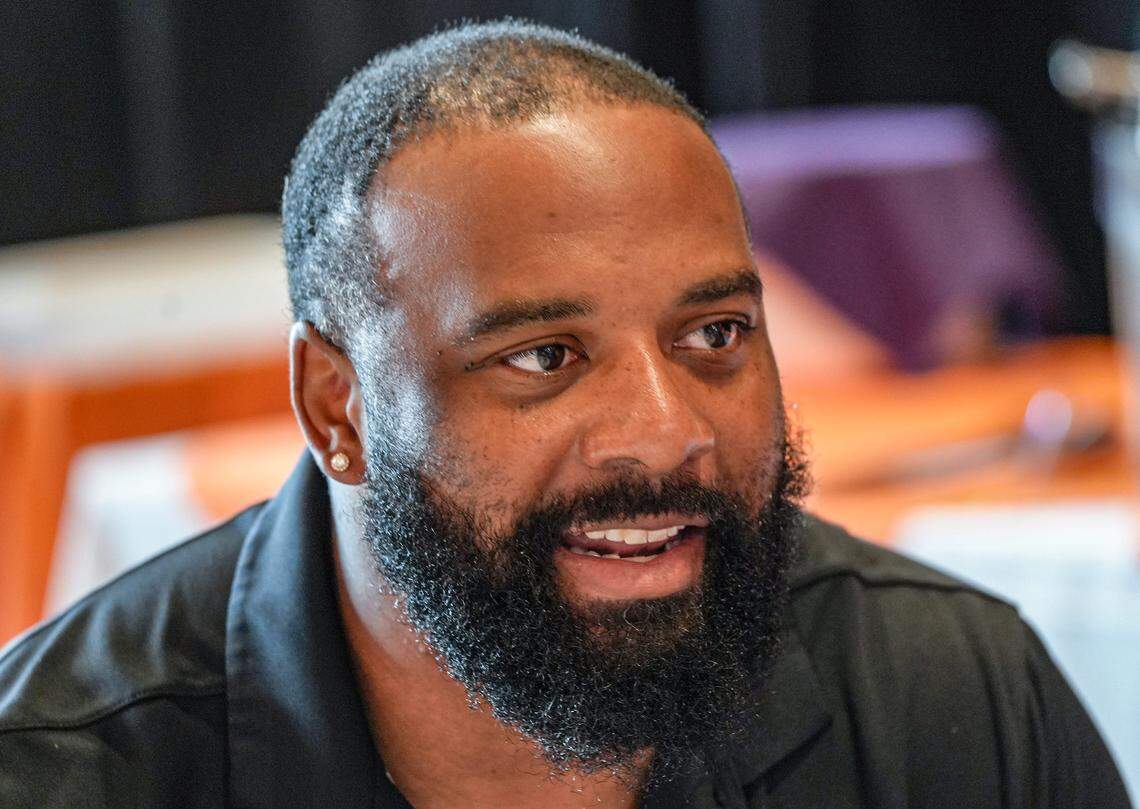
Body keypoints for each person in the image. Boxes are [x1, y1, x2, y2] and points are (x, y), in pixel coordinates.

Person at [0, 20, 1130, 809]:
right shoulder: (69, 769)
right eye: (544, 356)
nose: (664, 427)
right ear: (334, 407)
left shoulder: (951, 700)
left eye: (716, 336)